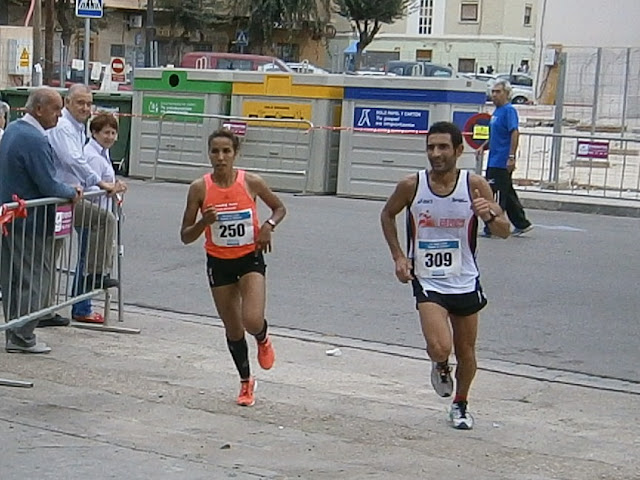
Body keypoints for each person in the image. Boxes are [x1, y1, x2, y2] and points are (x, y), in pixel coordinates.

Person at [380, 121, 510, 430]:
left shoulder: (475, 185)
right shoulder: (412, 185)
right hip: (427, 278)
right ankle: (440, 364)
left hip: (464, 277)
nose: (435, 154)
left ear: (458, 151)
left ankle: (460, 403)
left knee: (466, 352)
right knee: (440, 346)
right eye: (430, 147)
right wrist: (399, 256)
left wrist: (489, 213)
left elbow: (503, 231)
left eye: (443, 147)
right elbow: (387, 214)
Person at [180, 128, 286, 407]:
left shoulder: (251, 181)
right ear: (209, 154)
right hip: (219, 262)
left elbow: (279, 208)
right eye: (215, 151)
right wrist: (204, 222)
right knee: (233, 328)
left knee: (251, 319)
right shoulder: (199, 188)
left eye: (226, 151)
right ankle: (246, 381)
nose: (220, 157)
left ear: (235, 154)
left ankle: (263, 338)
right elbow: (185, 235)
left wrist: (267, 226)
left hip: (249, 257)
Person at [0, 87, 80, 354]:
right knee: (33, 278)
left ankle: (16, 331)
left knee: (15, 278)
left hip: (13, 218)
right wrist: (71, 191)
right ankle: (22, 335)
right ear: (38, 109)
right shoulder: (34, 139)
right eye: (56, 109)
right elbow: (47, 183)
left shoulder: (13, 130)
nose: (59, 115)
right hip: (30, 221)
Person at [42, 84, 122, 328]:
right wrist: (100, 183)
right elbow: (72, 160)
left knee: (54, 252)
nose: (85, 108)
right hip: (59, 197)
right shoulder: (64, 127)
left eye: (88, 104)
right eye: (80, 103)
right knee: (52, 251)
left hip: (68, 197)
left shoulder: (77, 129)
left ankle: (58, 302)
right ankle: (92, 278)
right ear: (68, 103)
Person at [72, 113, 127, 323]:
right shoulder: (94, 155)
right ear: (94, 133)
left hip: (99, 211)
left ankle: (82, 304)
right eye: (106, 132)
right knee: (86, 260)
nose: (110, 137)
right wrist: (114, 189)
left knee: (85, 258)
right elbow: (92, 187)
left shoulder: (102, 153)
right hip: (94, 214)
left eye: (113, 132)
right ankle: (81, 306)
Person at [482, 79, 533, 238]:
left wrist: (511, 157)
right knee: (507, 192)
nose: (495, 95)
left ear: (507, 94)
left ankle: (494, 227)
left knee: (495, 194)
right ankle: (522, 223)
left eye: (498, 92)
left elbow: (514, 132)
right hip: (493, 158)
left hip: (502, 160)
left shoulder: (509, 110)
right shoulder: (496, 112)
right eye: (493, 92)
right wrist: (483, 146)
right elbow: (496, 135)